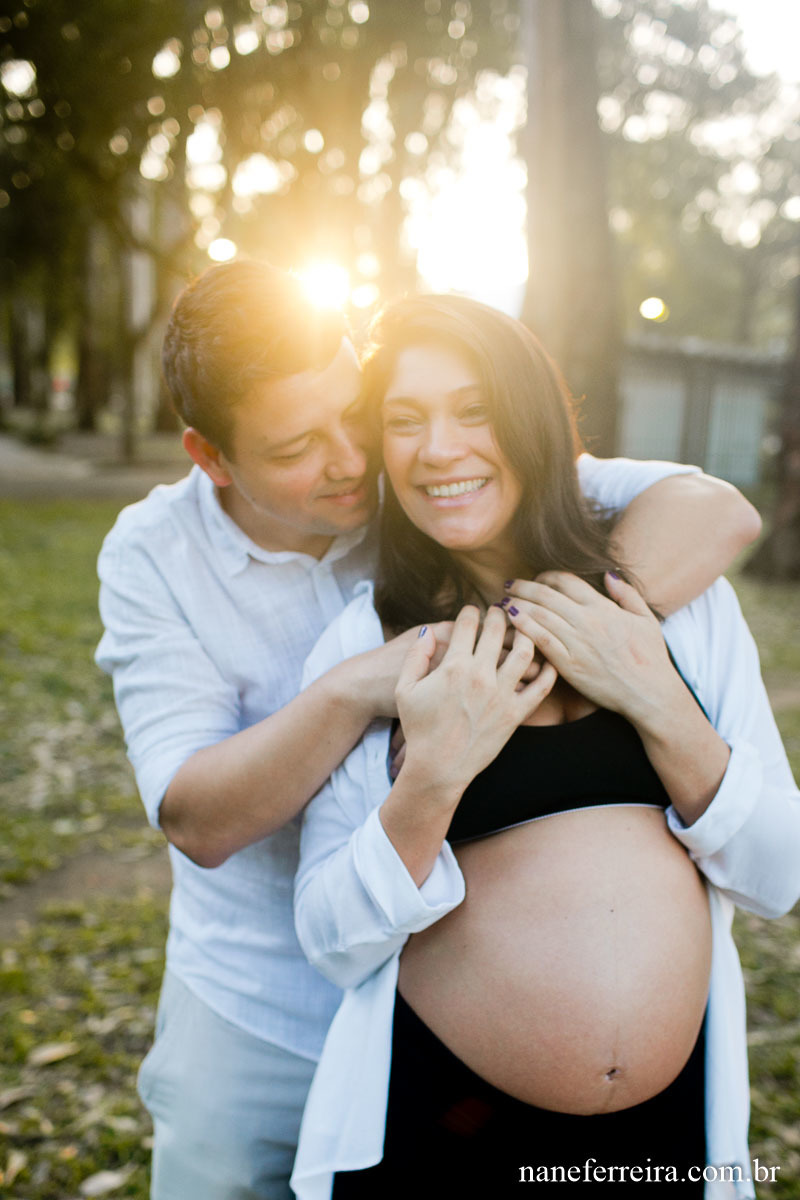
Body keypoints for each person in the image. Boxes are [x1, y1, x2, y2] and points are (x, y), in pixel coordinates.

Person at [95, 260, 760, 1200]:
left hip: (419, 1000)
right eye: (297, 446)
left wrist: (564, 637)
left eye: (354, 414)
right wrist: (353, 691)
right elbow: (194, 816)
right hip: (257, 999)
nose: (349, 460)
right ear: (211, 457)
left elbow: (711, 511)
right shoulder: (155, 554)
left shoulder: (432, 468)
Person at [291, 294, 800, 1200]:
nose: (438, 448)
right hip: (443, 1136)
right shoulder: (369, 644)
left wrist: (657, 698)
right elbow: (330, 941)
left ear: (533, 423)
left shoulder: (681, 612)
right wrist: (433, 778)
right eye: (405, 421)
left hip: (663, 1146)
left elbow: (780, 873)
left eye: (475, 410)